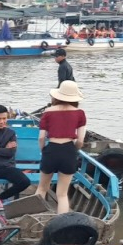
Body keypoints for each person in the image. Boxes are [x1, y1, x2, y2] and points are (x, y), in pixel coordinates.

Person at [36, 80, 86, 214]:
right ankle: (61, 225)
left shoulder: (48, 112)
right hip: (68, 150)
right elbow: (80, 140)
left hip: (51, 149)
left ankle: (34, 219)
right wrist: (73, 151)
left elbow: (41, 137)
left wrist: (43, 150)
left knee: (42, 189)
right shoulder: (80, 113)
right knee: (62, 194)